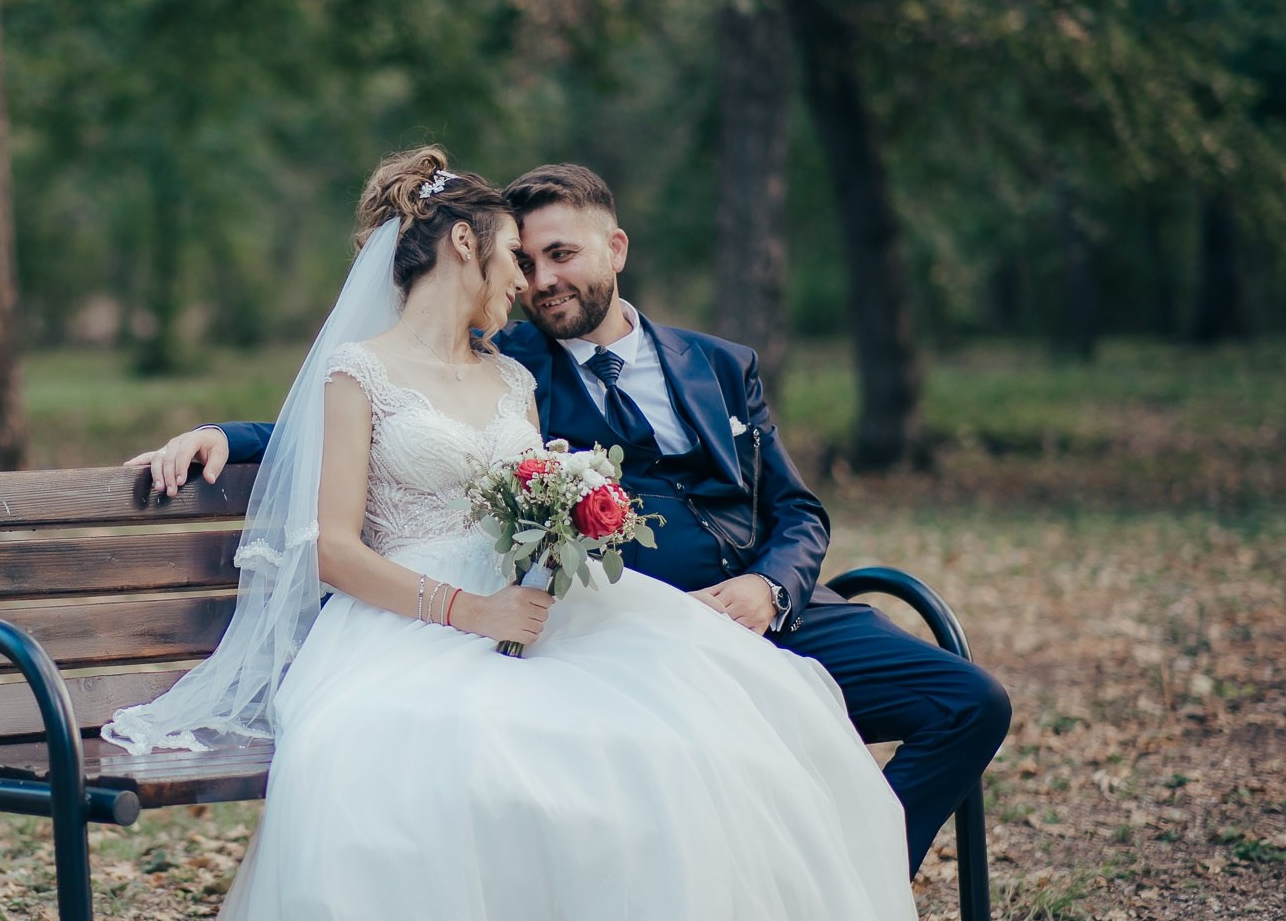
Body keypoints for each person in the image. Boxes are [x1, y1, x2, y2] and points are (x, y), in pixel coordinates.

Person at [105, 148, 956, 921]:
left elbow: (744, 504)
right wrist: (225, 437)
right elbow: (330, 538)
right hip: (410, 621)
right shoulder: (359, 371)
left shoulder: (513, 380)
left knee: (729, 716)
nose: (525, 281)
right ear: (465, 245)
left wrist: (573, 526)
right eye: (515, 256)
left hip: (542, 609)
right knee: (448, 747)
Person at [130, 162, 1009, 880]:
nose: (542, 280)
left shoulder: (718, 364)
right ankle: (786, 913)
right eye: (529, 261)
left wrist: (769, 590)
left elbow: (797, 510)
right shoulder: (510, 359)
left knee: (969, 703)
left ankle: (857, 886)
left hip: (764, 610)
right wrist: (227, 435)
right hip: (636, 625)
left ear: (615, 247)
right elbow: (384, 406)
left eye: (561, 255)